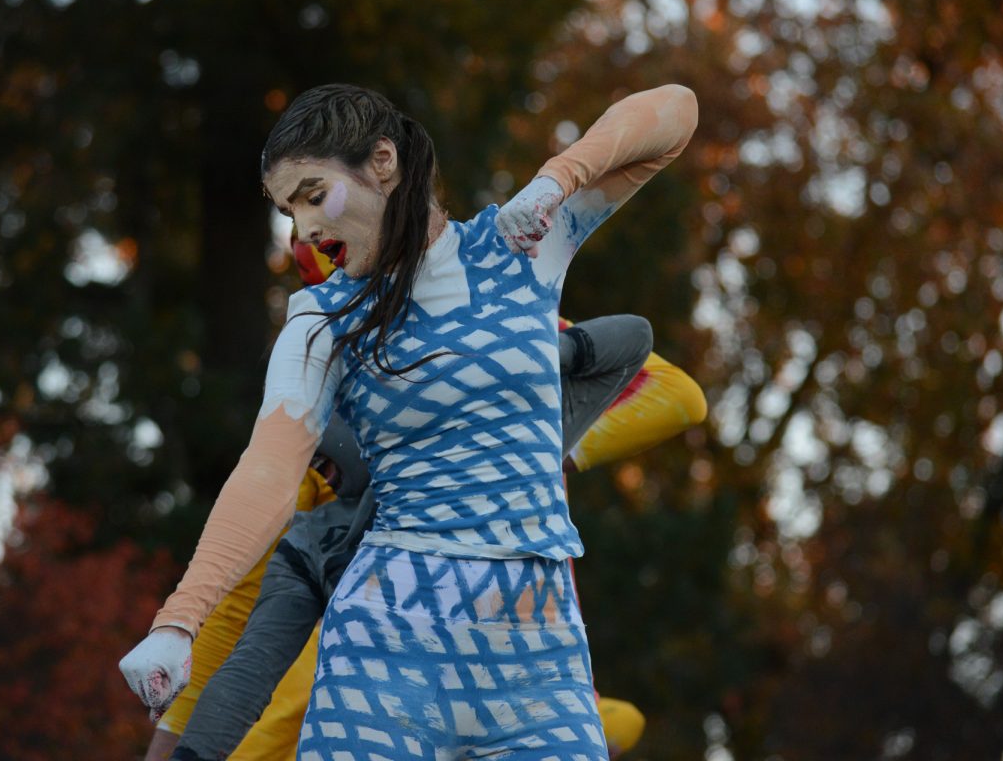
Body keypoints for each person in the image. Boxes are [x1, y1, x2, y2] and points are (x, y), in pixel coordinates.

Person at [122, 81, 698, 758]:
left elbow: (676, 112)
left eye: (313, 194)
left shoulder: (520, 249)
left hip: (538, 654)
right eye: (288, 210)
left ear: (383, 163)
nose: (305, 229)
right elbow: (270, 470)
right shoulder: (322, 318)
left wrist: (555, 180)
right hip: (388, 646)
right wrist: (178, 622)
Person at [167, 314, 653, 761]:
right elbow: (250, 673)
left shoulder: (501, 451)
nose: (304, 454)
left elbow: (633, 338)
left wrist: (513, 360)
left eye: (315, 413)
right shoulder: (312, 542)